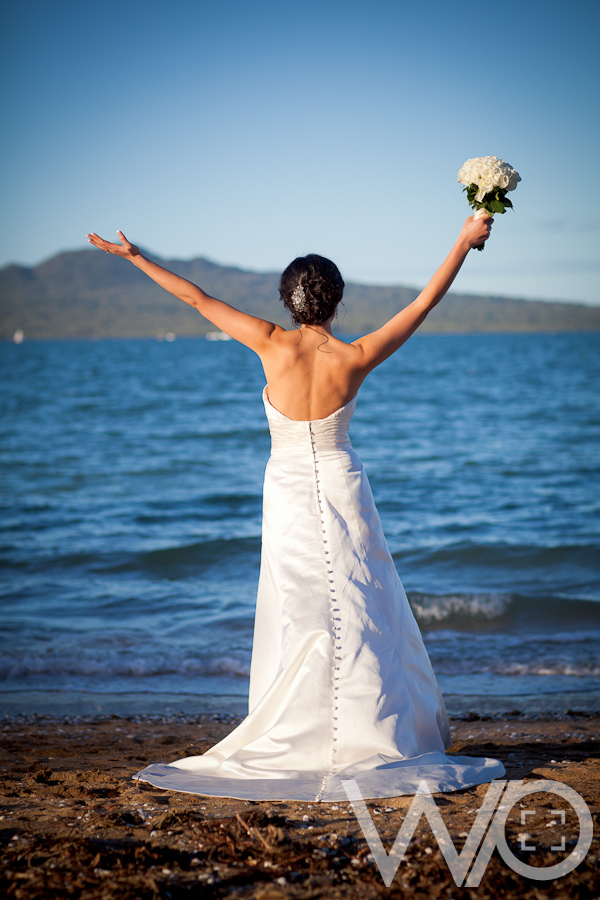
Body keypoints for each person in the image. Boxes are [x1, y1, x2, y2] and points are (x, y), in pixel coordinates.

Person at [87, 216, 505, 802]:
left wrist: (135, 256)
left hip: (285, 488)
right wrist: (462, 241)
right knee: (361, 600)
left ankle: (301, 729)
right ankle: (373, 728)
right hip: (343, 484)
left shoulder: (268, 341)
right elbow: (424, 303)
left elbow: (195, 296)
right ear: (337, 301)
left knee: (302, 607)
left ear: (287, 300)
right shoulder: (355, 355)